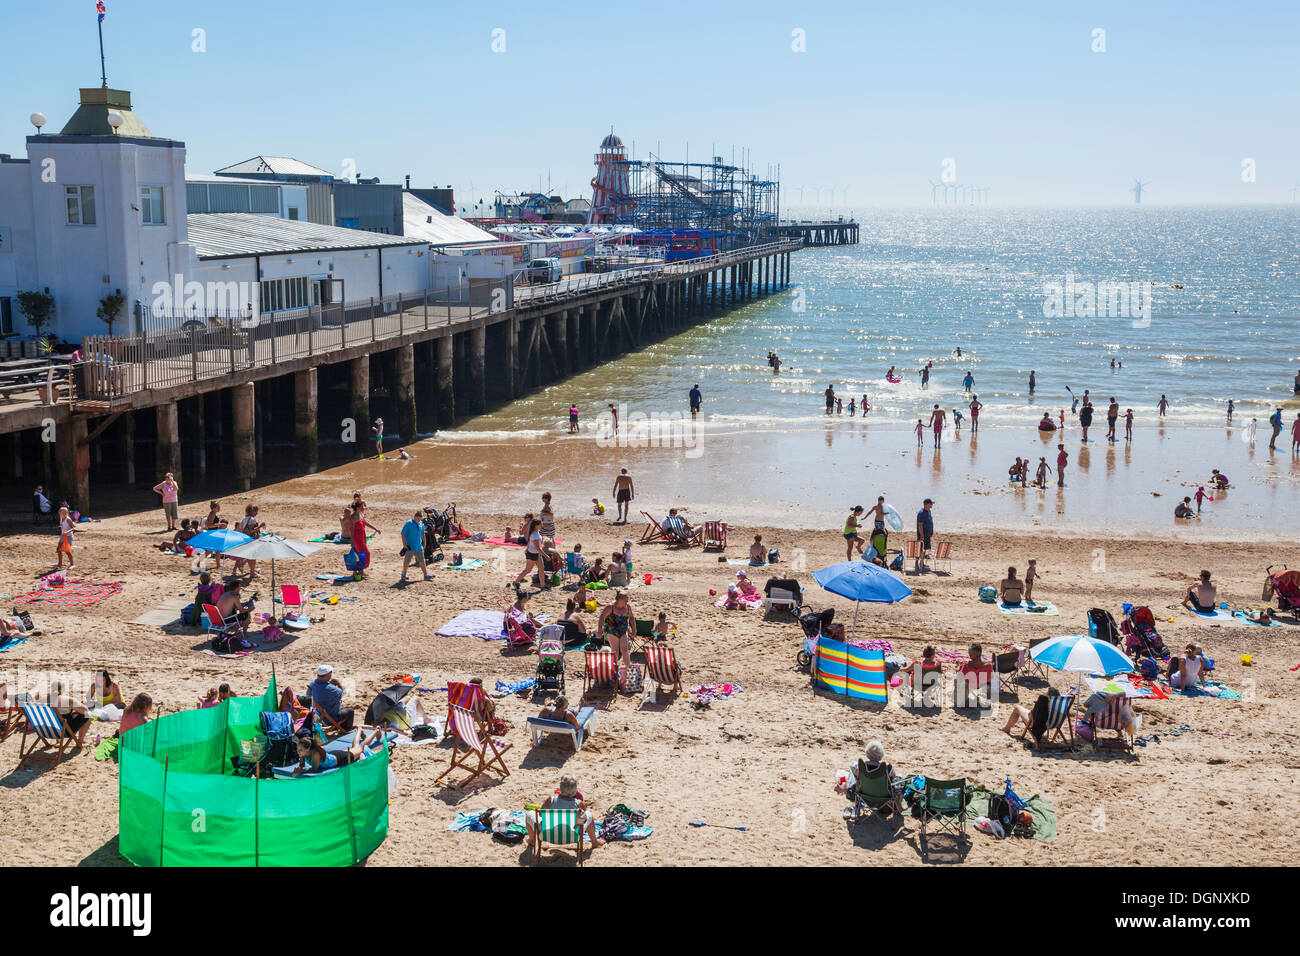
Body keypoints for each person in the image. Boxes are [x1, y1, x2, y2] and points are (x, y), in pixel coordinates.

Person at [526, 775, 604, 849]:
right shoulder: (579, 804)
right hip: (572, 836)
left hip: (547, 835)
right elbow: (584, 819)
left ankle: (532, 840)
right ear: (575, 791)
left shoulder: (550, 800)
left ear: (560, 788)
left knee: (529, 814)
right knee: (589, 815)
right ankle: (594, 842)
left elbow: (540, 814)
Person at [291, 727, 386, 776]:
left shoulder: (315, 754)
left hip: (341, 758)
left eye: (300, 750)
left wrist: (300, 771)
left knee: (361, 747)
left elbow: (314, 770)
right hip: (333, 756)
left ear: (308, 749)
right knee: (355, 747)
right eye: (298, 749)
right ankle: (359, 731)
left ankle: (376, 731)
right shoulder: (303, 754)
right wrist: (299, 768)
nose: (298, 752)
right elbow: (302, 766)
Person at [41, 679, 91, 748]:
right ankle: (80, 741)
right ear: (63, 689)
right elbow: (86, 711)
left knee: (55, 717)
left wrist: (73, 712)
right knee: (88, 715)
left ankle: (58, 741)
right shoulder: (67, 700)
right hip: (65, 732)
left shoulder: (41, 699)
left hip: (45, 731)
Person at [306, 665, 354, 731]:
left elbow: (309, 695)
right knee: (350, 711)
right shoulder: (330, 689)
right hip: (329, 719)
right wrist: (338, 684)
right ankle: (345, 729)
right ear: (328, 675)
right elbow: (343, 693)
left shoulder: (312, 684)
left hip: (316, 716)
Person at [598, 591, 636, 670]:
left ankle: (628, 669)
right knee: (615, 652)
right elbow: (602, 617)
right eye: (625, 600)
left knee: (625, 650)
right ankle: (615, 669)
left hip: (623, 631)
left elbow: (631, 618)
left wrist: (634, 629)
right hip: (612, 631)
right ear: (619, 600)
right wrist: (599, 631)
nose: (627, 602)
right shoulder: (610, 608)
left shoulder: (627, 607)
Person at [512, 518, 548, 591]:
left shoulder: (536, 532)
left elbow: (529, 542)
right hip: (532, 554)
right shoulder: (534, 534)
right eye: (540, 524)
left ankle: (542, 586)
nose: (542, 525)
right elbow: (537, 548)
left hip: (536, 554)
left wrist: (527, 548)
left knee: (541, 569)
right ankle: (515, 582)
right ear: (536, 526)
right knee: (527, 570)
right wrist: (546, 556)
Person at [400, 510, 432, 582]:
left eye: (420, 519)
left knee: (422, 561)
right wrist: (404, 544)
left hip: (419, 546)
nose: (419, 521)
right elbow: (403, 534)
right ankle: (404, 574)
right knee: (407, 561)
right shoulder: (409, 523)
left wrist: (425, 542)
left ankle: (426, 575)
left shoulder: (420, 523)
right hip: (410, 547)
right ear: (415, 517)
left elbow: (423, 533)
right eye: (418, 519)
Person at [350, 501, 380, 578]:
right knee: (365, 553)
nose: (364, 508)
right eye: (362, 506)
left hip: (363, 537)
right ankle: (359, 571)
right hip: (357, 538)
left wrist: (375, 528)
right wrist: (352, 541)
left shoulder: (361, 514)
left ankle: (359, 571)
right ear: (357, 508)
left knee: (358, 554)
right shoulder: (353, 517)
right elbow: (352, 530)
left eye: (364, 506)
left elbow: (365, 523)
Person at [56, 505, 75, 570]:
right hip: (63, 536)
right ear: (59, 513)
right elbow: (62, 525)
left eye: (65, 513)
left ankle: (72, 564)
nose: (64, 514)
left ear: (67, 513)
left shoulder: (68, 519)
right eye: (62, 513)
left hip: (69, 536)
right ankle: (60, 564)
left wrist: (67, 532)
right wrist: (61, 527)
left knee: (67, 551)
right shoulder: (61, 518)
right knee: (58, 549)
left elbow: (73, 528)